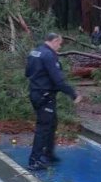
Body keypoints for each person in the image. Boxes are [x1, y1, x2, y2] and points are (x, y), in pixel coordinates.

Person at [25, 33, 82, 171]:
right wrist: (73, 94)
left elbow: (27, 73)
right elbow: (58, 80)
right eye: (60, 43)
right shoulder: (49, 55)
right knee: (43, 127)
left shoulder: (35, 52)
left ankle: (48, 154)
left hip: (35, 92)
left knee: (52, 123)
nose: (60, 46)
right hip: (45, 95)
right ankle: (35, 160)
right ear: (55, 41)